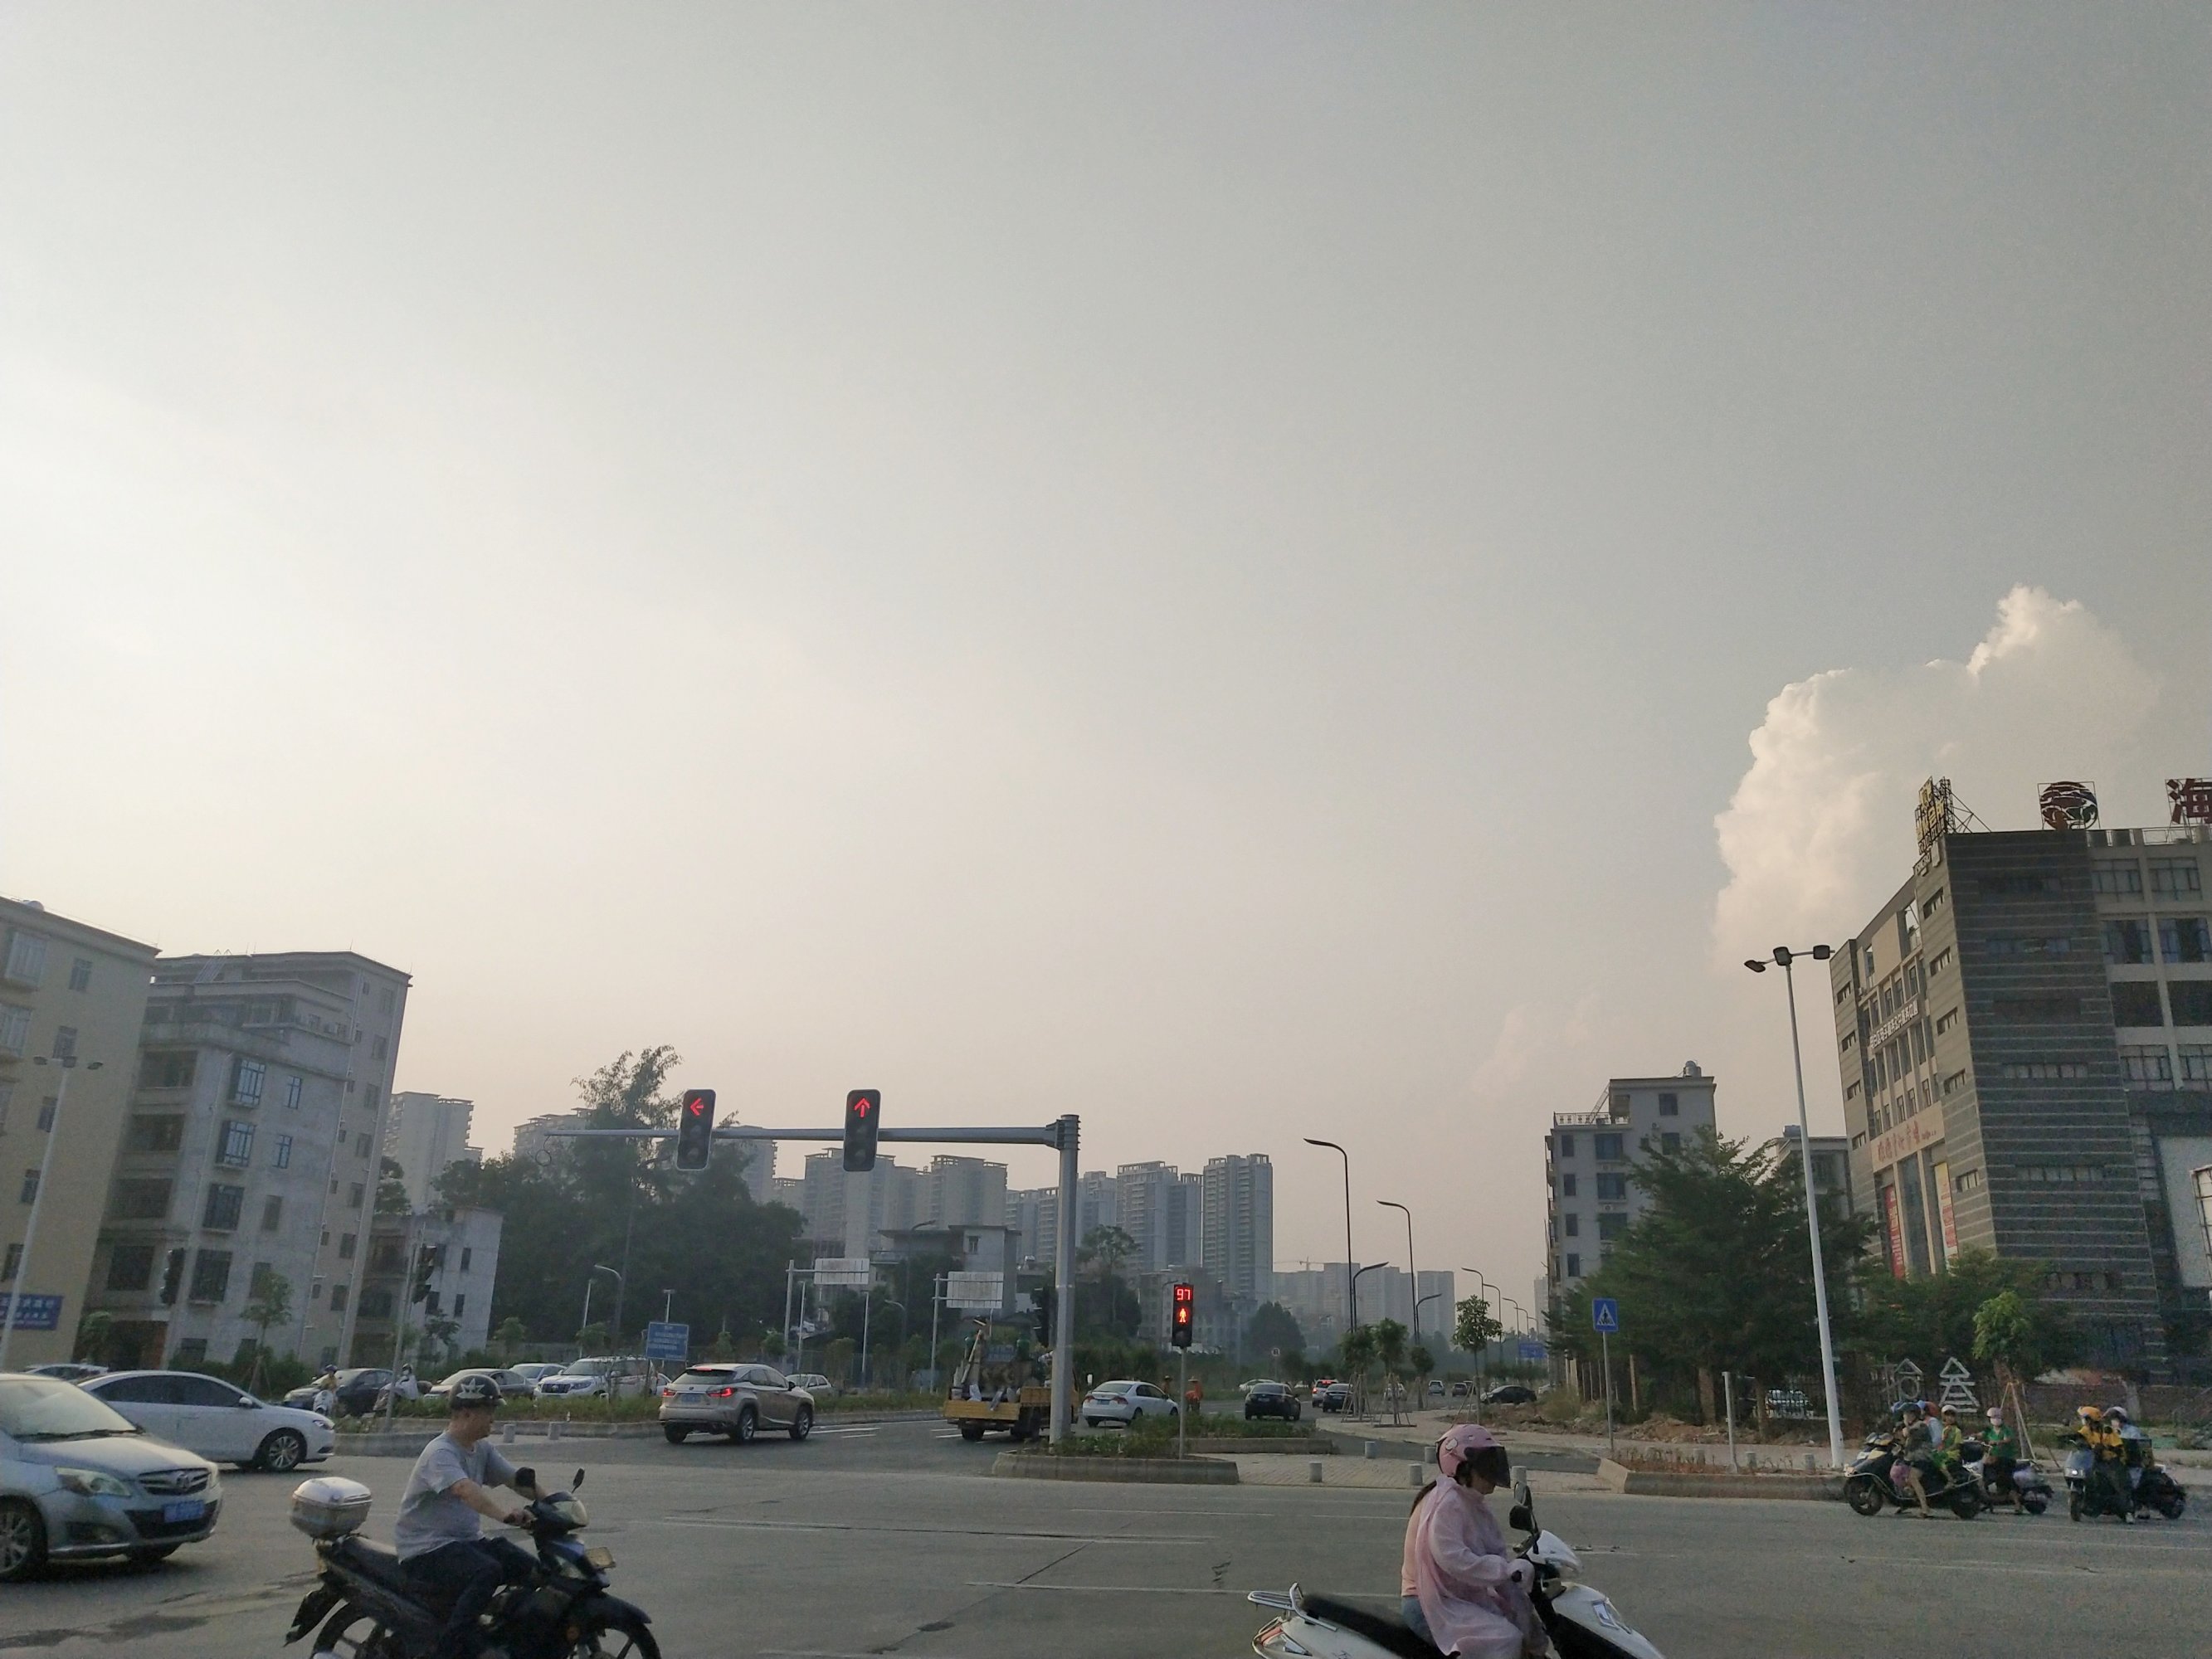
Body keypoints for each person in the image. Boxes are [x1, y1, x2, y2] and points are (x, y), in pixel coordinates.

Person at [394, 1375, 540, 1659]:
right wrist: (504, 1514)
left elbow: (516, 1480)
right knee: (487, 1571)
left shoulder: (481, 1449)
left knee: (533, 1570)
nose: (493, 1419)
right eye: (488, 1411)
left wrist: (555, 1503)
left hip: (464, 1542)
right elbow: (464, 1490)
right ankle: (450, 1650)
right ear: (465, 1413)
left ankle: (504, 1637)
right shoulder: (441, 1452)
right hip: (426, 1549)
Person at [1401, 1423, 1546, 1657]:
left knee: (1522, 1627)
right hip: (1429, 1603)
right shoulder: (1446, 1504)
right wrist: (1504, 1570)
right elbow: (1454, 1559)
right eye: (1485, 1465)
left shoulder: (1473, 1503)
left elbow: (1496, 1558)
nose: (1493, 1471)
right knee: (1506, 1640)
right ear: (1461, 1466)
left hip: (1457, 1598)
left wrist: (1522, 1606)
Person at [1892, 1402, 1935, 1518]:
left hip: (1923, 1458)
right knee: (1898, 1472)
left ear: (1913, 1415)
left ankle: (1925, 1509)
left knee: (1912, 1478)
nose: (1904, 1417)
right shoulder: (1910, 1427)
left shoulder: (1921, 1426)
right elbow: (1905, 1443)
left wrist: (1906, 1428)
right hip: (1913, 1458)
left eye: (1906, 1414)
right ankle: (1906, 1501)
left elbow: (1912, 1436)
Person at [1983, 1406, 2024, 1513]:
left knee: (2006, 1480)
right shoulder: (1990, 1430)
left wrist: (1998, 1442)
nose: (1994, 1420)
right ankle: (1988, 1501)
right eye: (1992, 1418)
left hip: (2006, 1459)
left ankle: (2017, 1504)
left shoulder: (2006, 1430)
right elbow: (1981, 1435)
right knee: (1984, 1477)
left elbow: (2008, 1439)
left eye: (1996, 1417)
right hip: (1994, 1459)